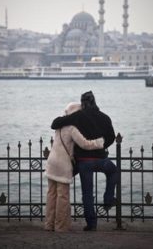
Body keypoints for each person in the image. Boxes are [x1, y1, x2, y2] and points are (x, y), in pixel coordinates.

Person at [51, 91, 118, 231]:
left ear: (82, 104)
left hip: (84, 161)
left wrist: (64, 115)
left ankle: (91, 224)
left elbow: (55, 124)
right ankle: (108, 198)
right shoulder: (105, 118)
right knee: (113, 171)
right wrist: (102, 146)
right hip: (101, 159)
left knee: (87, 193)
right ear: (95, 101)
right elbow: (111, 137)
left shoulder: (78, 116)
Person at [45, 102, 104, 232]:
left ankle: (49, 224)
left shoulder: (59, 126)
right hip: (62, 165)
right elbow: (85, 144)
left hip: (51, 162)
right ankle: (60, 226)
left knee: (51, 194)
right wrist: (99, 143)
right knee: (63, 197)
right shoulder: (72, 129)